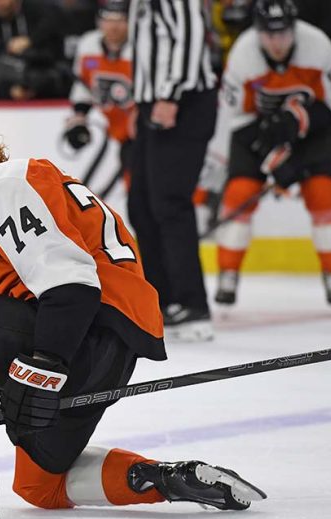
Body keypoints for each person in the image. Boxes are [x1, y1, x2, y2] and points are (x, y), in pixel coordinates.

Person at [0, 105, 266, 519]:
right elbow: (39, 294)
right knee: (40, 486)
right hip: (101, 343)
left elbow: (72, 283)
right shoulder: (1, 197)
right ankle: (164, 479)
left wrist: (45, 364)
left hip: (84, 326)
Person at [208, 0, 331, 306]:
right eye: (269, 35)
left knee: (324, 194)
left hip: (311, 133)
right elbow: (236, 118)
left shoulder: (318, 47)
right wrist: (272, 158)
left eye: (283, 34)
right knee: (239, 194)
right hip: (257, 132)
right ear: (258, 32)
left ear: (294, 29)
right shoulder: (243, 55)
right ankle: (228, 275)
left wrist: (298, 120)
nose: (277, 43)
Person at [127, 0, 218, 341]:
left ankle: (191, 303)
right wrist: (143, 100)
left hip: (185, 100)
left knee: (169, 201)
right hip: (158, 100)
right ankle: (161, 299)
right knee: (141, 203)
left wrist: (170, 97)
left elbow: (191, 34)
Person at [64, 0, 135, 186]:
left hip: (141, 127)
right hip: (115, 126)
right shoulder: (88, 44)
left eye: (120, 20)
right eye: (108, 19)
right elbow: (83, 86)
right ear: (99, 21)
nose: (114, 26)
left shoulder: (141, 47)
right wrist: (79, 116)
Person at [0, 0, 70, 100]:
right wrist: (10, 88)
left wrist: (30, 40)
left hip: (45, 84)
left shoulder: (38, 10)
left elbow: (57, 23)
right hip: (7, 88)